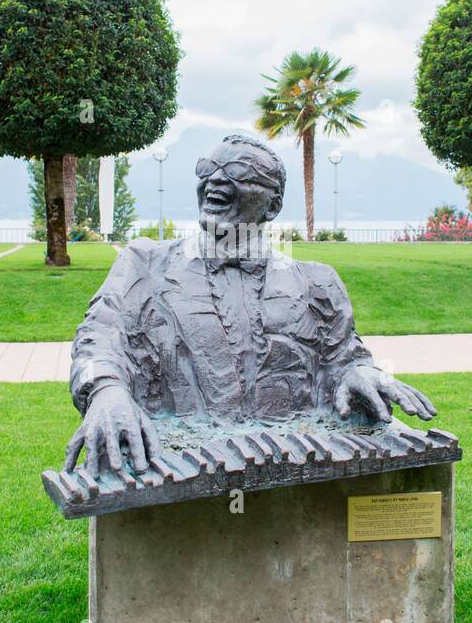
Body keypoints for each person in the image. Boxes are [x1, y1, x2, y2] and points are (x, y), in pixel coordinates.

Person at [65, 134, 435, 477]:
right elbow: (99, 338)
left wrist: (358, 372)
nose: (216, 182)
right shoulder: (144, 263)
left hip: (293, 464)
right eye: (207, 169)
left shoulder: (316, 282)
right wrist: (105, 389)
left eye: (240, 173)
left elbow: (344, 359)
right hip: (180, 467)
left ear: (273, 205)